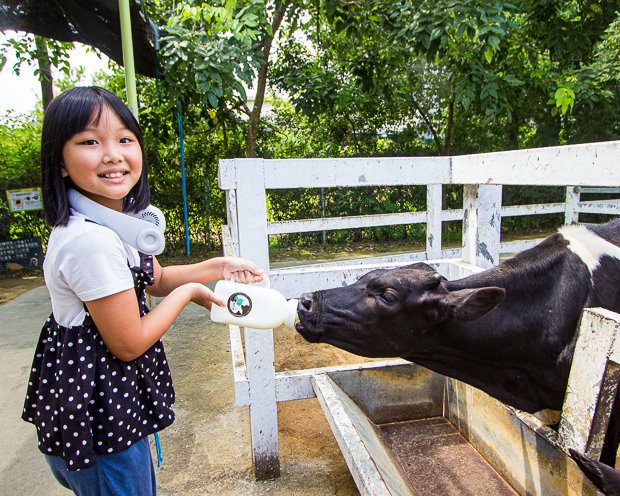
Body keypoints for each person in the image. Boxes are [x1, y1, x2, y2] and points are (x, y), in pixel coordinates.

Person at [22, 86, 264, 496]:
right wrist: (189, 294)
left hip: (108, 401)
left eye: (124, 139)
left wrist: (216, 268)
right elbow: (129, 343)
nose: (113, 154)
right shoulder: (90, 242)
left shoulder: (116, 221)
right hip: (101, 413)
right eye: (89, 141)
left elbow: (154, 280)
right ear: (59, 162)